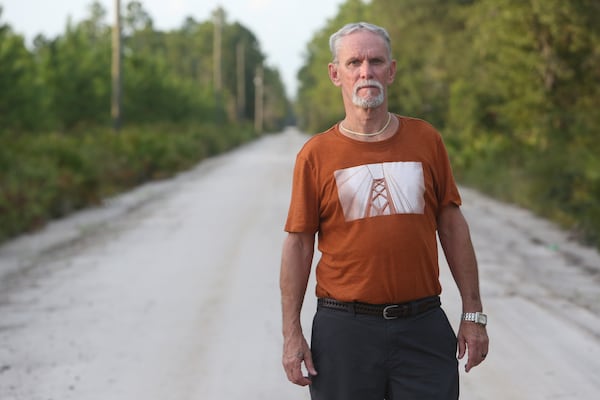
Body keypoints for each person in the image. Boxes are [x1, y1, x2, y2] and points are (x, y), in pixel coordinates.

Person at [279, 22, 489, 399]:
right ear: (335, 73)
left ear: (391, 71)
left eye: (376, 61)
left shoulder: (426, 140)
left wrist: (473, 314)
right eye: (354, 62)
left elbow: (452, 225)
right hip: (344, 332)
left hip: (422, 327)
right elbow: (298, 245)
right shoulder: (315, 155)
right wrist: (292, 332)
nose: (366, 72)